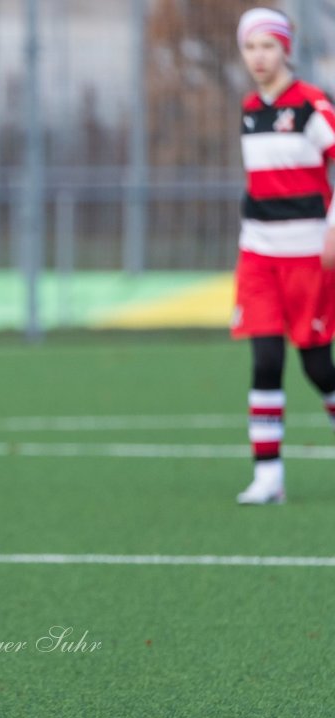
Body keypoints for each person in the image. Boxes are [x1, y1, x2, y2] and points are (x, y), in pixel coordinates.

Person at [233, 8, 335, 505]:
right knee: (266, 359)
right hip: (257, 257)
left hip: (309, 260)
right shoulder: (250, 109)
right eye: (250, 47)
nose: (258, 56)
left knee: (318, 368)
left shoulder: (313, 106)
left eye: (267, 46)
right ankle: (268, 475)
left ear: (285, 49)